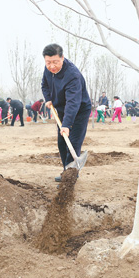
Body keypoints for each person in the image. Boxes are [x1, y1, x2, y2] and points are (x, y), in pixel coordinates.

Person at [41, 43, 91, 182]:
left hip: (79, 110)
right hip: (62, 110)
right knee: (62, 143)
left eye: (55, 62)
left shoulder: (72, 75)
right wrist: (48, 98)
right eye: (48, 62)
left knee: (73, 143)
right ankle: (66, 172)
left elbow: (73, 102)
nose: (52, 66)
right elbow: (44, 84)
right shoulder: (48, 69)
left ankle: (70, 179)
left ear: (62, 58)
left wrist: (67, 125)